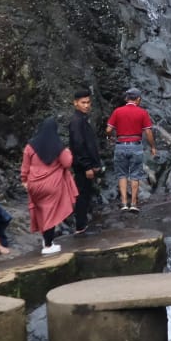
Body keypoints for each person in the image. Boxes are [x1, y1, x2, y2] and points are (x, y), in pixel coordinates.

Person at [21, 117, 77, 255]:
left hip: (34, 185)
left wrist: (24, 181)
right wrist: (69, 152)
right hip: (51, 186)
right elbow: (67, 163)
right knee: (50, 215)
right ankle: (48, 245)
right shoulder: (58, 146)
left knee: (41, 213)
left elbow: (25, 166)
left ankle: (45, 240)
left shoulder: (30, 146)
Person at [106, 89, 155, 213]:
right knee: (135, 175)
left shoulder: (117, 111)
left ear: (126, 99)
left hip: (120, 145)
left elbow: (108, 129)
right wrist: (153, 146)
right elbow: (148, 132)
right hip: (136, 145)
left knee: (121, 175)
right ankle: (133, 203)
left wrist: (110, 137)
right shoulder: (142, 112)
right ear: (138, 99)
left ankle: (123, 203)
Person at [67, 88, 101, 235]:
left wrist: (95, 164)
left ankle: (83, 224)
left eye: (88, 102)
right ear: (75, 103)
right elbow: (79, 145)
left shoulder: (82, 120)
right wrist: (87, 166)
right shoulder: (76, 122)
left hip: (87, 165)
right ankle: (80, 226)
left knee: (86, 194)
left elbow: (90, 145)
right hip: (82, 166)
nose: (86, 105)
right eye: (83, 103)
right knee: (81, 195)